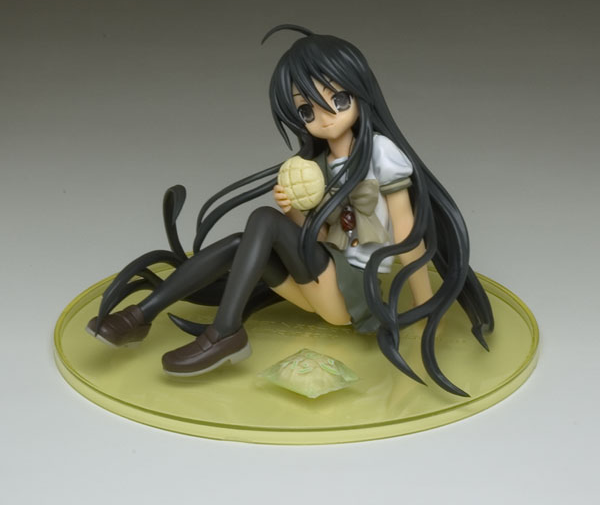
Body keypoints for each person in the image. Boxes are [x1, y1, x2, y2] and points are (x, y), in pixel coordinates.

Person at [87, 24, 493, 396]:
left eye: (338, 99)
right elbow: (316, 236)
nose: (324, 117)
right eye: (306, 110)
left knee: (263, 220)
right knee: (240, 243)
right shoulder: (317, 166)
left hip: (353, 291)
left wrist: (427, 311)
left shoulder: (381, 154)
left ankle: (225, 332)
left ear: (360, 92)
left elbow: (407, 231)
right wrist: (295, 210)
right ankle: (138, 317)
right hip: (319, 284)